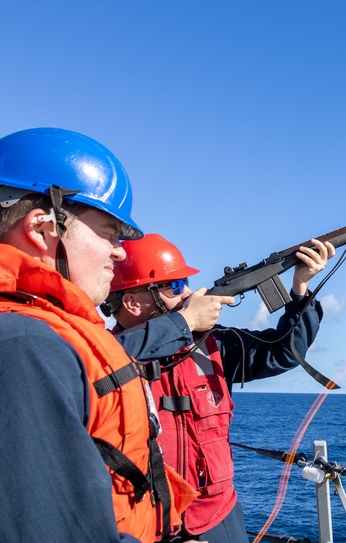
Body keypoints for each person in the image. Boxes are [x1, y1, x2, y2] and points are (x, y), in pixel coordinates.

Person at [0, 127, 201, 542]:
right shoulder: (24, 345)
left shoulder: (42, 333)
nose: (120, 251)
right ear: (43, 230)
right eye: (110, 232)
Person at [106, 232, 333, 543]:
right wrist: (184, 322)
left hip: (217, 516)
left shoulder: (212, 343)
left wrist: (300, 289)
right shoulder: (103, 355)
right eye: (174, 286)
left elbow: (283, 352)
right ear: (133, 302)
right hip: (144, 527)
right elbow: (109, 359)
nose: (188, 293)